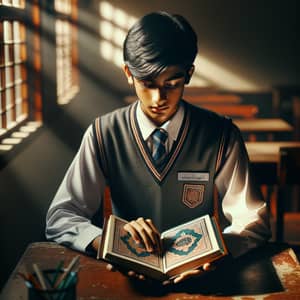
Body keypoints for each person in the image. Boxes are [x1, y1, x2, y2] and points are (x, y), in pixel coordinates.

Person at [46, 11, 271, 284]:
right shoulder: (103, 133)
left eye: (172, 84)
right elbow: (61, 216)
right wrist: (108, 243)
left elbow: (253, 219)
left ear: (189, 74)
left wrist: (219, 255)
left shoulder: (222, 134)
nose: (158, 98)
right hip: (125, 278)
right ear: (128, 73)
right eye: (147, 84)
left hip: (199, 278)